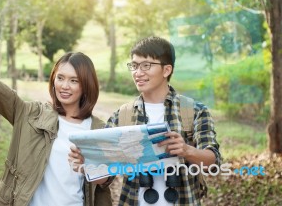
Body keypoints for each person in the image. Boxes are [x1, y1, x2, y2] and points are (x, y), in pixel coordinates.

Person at [0, 47, 112, 206]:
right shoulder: (31, 114)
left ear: (86, 85)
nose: (65, 86)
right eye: (60, 78)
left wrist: (88, 164)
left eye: (74, 80)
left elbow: (106, 181)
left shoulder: (97, 129)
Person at [70, 36, 221, 206]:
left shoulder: (194, 111)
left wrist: (186, 150)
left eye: (146, 65)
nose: (138, 72)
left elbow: (212, 163)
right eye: (134, 66)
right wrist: (87, 163)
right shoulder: (122, 115)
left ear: (166, 70)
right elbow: (106, 178)